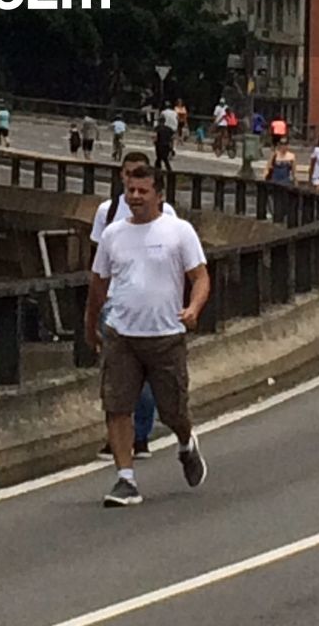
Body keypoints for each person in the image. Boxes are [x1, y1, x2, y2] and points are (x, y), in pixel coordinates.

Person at [86, 165, 210, 507]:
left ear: (158, 195)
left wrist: (194, 309)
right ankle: (125, 479)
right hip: (121, 335)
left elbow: (200, 277)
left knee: (172, 411)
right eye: (131, 190)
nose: (136, 197)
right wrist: (90, 325)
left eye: (143, 191)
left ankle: (186, 442)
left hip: (165, 335)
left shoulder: (178, 231)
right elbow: (98, 285)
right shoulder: (113, 234)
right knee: (117, 406)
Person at [89, 151, 177, 463]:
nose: (133, 188)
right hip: (115, 305)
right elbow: (99, 264)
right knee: (117, 378)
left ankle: (141, 434)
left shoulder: (168, 218)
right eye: (128, 178)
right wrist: (93, 316)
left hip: (152, 310)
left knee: (147, 379)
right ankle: (121, 446)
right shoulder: (108, 213)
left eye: (140, 183)